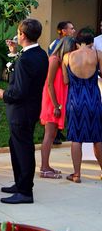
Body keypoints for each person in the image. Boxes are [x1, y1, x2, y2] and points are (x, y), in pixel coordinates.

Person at [0, 18, 48, 204]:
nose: (16, 36)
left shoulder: (26, 59)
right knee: (16, 146)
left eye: (18, 33)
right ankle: (20, 184)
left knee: (23, 149)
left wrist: (4, 94)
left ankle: (25, 191)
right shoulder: (40, 54)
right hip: (31, 108)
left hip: (21, 110)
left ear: (23, 35)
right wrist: (13, 54)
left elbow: (19, 91)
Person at [62, 31, 102, 183]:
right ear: (91, 42)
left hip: (75, 100)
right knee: (97, 137)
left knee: (76, 138)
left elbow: (66, 81)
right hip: (93, 99)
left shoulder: (67, 57)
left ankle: (77, 174)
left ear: (77, 42)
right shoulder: (97, 54)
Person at [39, 36, 75, 178]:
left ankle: (47, 165)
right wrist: (56, 105)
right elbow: (49, 84)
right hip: (52, 101)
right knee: (48, 135)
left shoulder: (62, 62)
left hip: (58, 100)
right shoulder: (54, 60)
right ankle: (44, 168)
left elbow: (65, 81)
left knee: (53, 134)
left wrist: (65, 65)